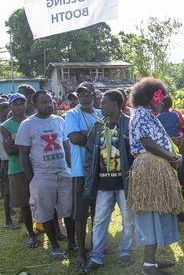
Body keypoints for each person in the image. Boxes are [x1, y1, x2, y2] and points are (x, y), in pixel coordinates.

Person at [127, 78, 184, 275]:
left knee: (156, 214)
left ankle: (151, 260)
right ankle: (148, 266)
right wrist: (171, 156)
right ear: (150, 97)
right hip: (149, 167)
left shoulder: (147, 115)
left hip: (155, 166)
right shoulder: (142, 115)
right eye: (159, 97)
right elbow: (147, 142)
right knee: (150, 215)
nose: (162, 101)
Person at [16, 90, 74, 260]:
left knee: (68, 210)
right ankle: (55, 246)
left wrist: (69, 168)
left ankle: (72, 242)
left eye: (50, 101)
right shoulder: (27, 125)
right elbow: (23, 155)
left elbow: (66, 145)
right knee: (46, 212)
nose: (49, 105)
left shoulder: (59, 121)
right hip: (42, 175)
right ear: (35, 105)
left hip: (63, 172)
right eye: (44, 102)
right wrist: (32, 179)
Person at [84, 90, 135, 271]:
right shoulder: (98, 127)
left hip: (124, 184)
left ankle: (125, 252)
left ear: (115, 104)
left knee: (128, 221)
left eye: (104, 103)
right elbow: (89, 153)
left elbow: (137, 154)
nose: (100, 106)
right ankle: (96, 257)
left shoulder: (129, 125)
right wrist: (89, 174)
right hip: (103, 185)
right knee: (99, 220)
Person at [65, 81, 103, 269]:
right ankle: (81, 252)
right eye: (80, 95)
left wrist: (88, 135)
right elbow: (75, 138)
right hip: (81, 172)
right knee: (80, 214)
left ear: (94, 95)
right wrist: (95, 135)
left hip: (99, 170)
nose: (84, 97)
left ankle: (96, 247)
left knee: (99, 212)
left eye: (87, 94)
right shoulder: (71, 115)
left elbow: (106, 136)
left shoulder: (99, 114)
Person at [1, 94, 39, 246]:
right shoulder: (5, 126)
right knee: (25, 204)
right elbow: (9, 150)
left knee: (45, 199)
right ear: (10, 107)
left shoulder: (33, 120)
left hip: (36, 165)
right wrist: (28, 143)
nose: (19, 106)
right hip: (17, 168)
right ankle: (31, 234)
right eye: (15, 104)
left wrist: (19, 143)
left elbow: (38, 142)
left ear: (26, 105)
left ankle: (55, 230)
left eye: (22, 103)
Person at [158, 96, 184, 222]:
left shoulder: (158, 116)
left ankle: (182, 213)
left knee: (181, 181)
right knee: (169, 182)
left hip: (169, 149)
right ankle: (172, 213)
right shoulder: (173, 115)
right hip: (172, 148)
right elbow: (180, 126)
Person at [0, 99, 17, 230]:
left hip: (13, 160)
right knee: (7, 193)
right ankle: (8, 221)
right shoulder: (3, 128)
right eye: (4, 110)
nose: (7, 112)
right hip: (6, 162)